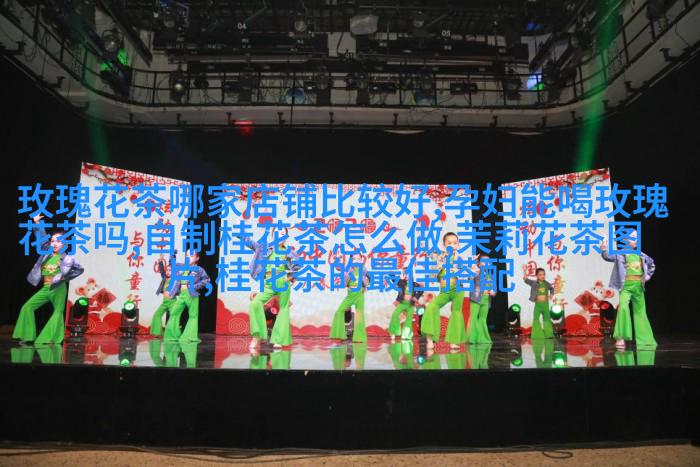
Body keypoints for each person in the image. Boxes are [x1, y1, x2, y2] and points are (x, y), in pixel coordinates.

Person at [13, 214, 84, 345]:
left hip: (58, 288)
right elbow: (41, 238)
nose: (54, 243)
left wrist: (64, 277)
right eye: (52, 241)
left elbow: (79, 269)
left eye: (58, 241)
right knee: (27, 307)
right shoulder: (47, 253)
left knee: (57, 312)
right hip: (46, 287)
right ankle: (27, 336)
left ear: (64, 243)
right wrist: (37, 223)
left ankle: (49, 339)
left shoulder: (67, 258)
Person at [243, 230, 300, 350]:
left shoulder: (288, 251)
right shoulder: (265, 248)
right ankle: (257, 336)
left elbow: (298, 264)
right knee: (255, 303)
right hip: (268, 282)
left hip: (282, 281)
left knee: (283, 308)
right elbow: (250, 243)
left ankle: (278, 340)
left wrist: (289, 277)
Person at [600, 230, 656, 349]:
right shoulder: (620, 254)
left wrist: (647, 276)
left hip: (638, 286)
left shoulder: (642, 255)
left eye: (637, 237)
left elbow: (652, 264)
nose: (636, 240)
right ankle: (621, 337)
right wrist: (604, 247)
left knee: (640, 311)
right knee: (623, 308)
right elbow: (607, 256)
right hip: (626, 286)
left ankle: (645, 339)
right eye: (633, 237)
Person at [421, 232, 468, 350]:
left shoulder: (461, 258)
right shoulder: (439, 256)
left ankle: (454, 342)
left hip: (458, 289)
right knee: (432, 307)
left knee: (456, 313)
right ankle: (430, 340)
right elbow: (426, 249)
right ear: (444, 245)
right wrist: (420, 231)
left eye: (455, 243)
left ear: (458, 245)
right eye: (449, 243)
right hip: (445, 291)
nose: (452, 245)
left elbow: (470, 272)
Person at [163, 249, 211, 344]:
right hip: (182, 294)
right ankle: (173, 336)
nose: (188, 258)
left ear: (197, 258)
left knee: (193, 315)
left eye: (192, 256)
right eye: (187, 255)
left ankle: (190, 337)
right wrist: (172, 254)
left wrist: (194, 286)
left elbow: (207, 280)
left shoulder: (199, 269)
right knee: (174, 312)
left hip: (192, 294)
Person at [330, 255, 370, 343]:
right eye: (354, 259)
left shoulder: (363, 269)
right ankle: (339, 335)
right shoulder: (348, 269)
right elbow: (344, 283)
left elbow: (369, 277)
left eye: (359, 259)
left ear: (361, 260)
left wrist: (366, 286)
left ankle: (359, 338)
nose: (356, 260)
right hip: (351, 294)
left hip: (359, 294)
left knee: (359, 315)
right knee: (339, 311)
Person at [467, 254, 497, 344]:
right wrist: (473, 263)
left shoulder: (490, 275)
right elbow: (470, 277)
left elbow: (494, 288)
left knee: (483, 319)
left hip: (486, 299)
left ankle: (482, 339)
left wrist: (493, 292)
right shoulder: (477, 271)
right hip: (476, 298)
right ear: (480, 263)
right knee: (474, 317)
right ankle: (472, 339)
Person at [522, 265, 555, 339]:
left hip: (545, 305)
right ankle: (538, 335)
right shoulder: (533, 283)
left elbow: (552, 289)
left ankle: (548, 335)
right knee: (536, 319)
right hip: (538, 305)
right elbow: (525, 279)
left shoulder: (546, 283)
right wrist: (524, 270)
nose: (542, 276)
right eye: (540, 275)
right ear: (536, 275)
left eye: (543, 274)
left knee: (547, 319)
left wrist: (551, 295)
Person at [388, 276, 423, 342]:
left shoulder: (415, 284)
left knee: (409, 319)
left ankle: (406, 336)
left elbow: (421, 290)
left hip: (410, 304)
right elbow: (393, 278)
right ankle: (394, 332)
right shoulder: (401, 282)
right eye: (405, 273)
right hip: (402, 303)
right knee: (395, 315)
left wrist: (416, 297)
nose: (406, 275)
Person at [149, 255, 175, 337]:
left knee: (174, 317)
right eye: (167, 270)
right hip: (165, 302)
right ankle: (157, 333)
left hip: (172, 302)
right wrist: (160, 261)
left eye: (170, 270)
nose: (168, 271)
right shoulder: (165, 278)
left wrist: (173, 256)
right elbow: (162, 271)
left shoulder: (175, 279)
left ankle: (173, 334)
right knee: (157, 315)